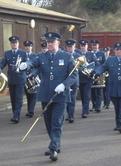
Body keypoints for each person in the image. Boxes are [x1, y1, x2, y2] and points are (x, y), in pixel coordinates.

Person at [19, 32, 77, 161]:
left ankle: (54, 148)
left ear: (58, 43)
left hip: (60, 95)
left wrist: (64, 85)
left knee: (57, 122)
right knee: (48, 123)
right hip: (45, 94)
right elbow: (32, 62)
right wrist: (25, 65)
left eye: (52, 42)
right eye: (48, 42)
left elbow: (73, 76)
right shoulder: (41, 56)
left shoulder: (67, 57)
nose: (50, 44)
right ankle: (55, 143)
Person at [96, 42, 121, 134]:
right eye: (117, 50)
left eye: (120, 49)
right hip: (113, 88)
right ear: (114, 51)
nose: (119, 51)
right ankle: (118, 124)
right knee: (117, 107)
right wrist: (98, 73)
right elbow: (103, 67)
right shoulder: (110, 60)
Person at [0, 36, 27, 123]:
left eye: (15, 43)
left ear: (18, 43)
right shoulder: (7, 53)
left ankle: (16, 116)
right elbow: (2, 64)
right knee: (12, 98)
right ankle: (15, 113)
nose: (14, 44)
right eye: (12, 43)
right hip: (11, 79)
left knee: (18, 98)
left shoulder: (23, 53)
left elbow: (28, 64)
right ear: (10, 44)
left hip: (20, 79)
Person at [78, 40, 99, 118]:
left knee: (86, 94)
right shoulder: (78, 54)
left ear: (87, 46)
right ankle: (85, 108)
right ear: (80, 46)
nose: (83, 47)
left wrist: (93, 72)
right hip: (80, 78)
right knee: (82, 94)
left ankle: (85, 111)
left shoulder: (91, 54)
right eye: (82, 46)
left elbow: (97, 64)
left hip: (88, 78)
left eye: (84, 46)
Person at [65, 39, 81, 123]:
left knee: (72, 99)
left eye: (71, 47)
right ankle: (68, 114)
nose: (69, 48)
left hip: (74, 80)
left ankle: (71, 116)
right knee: (66, 99)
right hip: (66, 80)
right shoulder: (63, 55)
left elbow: (83, 67)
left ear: (74, 46)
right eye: (68, 47)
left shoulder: (79, 56)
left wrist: (77, 67)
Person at [23, 40, 38, 117]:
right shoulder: (23, 55)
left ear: (31, 47)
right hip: (24, 77)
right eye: (26, 46)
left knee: (34, 94)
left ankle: (31, 111)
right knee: (28, 95)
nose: (27, 48)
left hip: (32, 77)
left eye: (29, 46)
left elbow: (37, 66)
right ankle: (29, 110)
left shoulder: (35, 56)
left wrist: (33, 74)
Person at [90, 39, 106, 112]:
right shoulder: (89, 53)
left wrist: (99, 72)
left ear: (98, 46)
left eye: (95, 45)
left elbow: (104, 64)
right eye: (93, 45)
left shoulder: (102, 53)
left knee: (99, 91)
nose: (94, 46)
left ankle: (98, 107)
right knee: (92, 91)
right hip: (91, 74)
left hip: (100, 75)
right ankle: (94, 105)